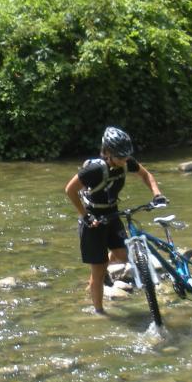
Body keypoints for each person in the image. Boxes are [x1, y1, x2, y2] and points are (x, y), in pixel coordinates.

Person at [65, 126, 166, 314]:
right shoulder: (95, 170)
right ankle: (100, 311)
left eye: (127, 157)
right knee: (98, 269)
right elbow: (69, 190)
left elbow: (145, 175)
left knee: (122, 256)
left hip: (113, 215)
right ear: (108, 153)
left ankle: (102, 276)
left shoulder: (125, 161)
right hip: (93, 222)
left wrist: (157, 194)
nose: (125, 161)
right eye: (121, 158)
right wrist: (85, 216)